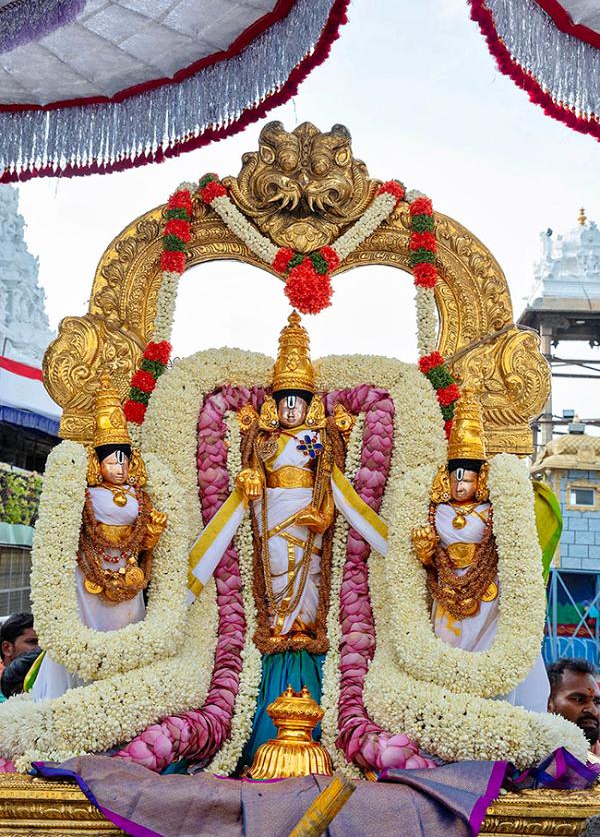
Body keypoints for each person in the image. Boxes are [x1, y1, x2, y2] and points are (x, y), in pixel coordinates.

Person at [187, 311, 389, 762]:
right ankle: (277, 643)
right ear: (274, 405)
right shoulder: (263, 440)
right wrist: (249, 479)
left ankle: (304, 655)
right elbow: (251, 477)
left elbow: (332, 484)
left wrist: (322, 515)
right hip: (269, 520)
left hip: (308, 522)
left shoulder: (318, 441)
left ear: (310, 403)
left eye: (298, 400)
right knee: (277, 582)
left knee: (309, 585)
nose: (290, 408)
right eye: (284, 401)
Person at [411, 388, 549, 712]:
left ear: (480, 478)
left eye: (467, 479)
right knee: (447, 654)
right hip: (447, 591)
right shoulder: (437, 510)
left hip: (487, 592)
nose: (460, 486)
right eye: (455, 478)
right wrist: (425, 552)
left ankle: (486, 707)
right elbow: (430, 560)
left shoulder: (492, 511)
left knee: (485, 652)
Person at [30, 375, 167, 700]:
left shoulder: (139, 496)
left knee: (126, 636)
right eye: (111, 459)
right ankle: (75, 700)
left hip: (128, 578)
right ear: (97, 462)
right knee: (87, 639)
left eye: (124, 459)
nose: (119, 467)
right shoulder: (86, 495)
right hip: (90, 577)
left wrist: (152, 532)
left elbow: (142, 544)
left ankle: (119, 702)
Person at [547, 658, 600, 755]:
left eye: (597, 701)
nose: (594, 711)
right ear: (548, 704)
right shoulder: (524, 759)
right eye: (579, 699)